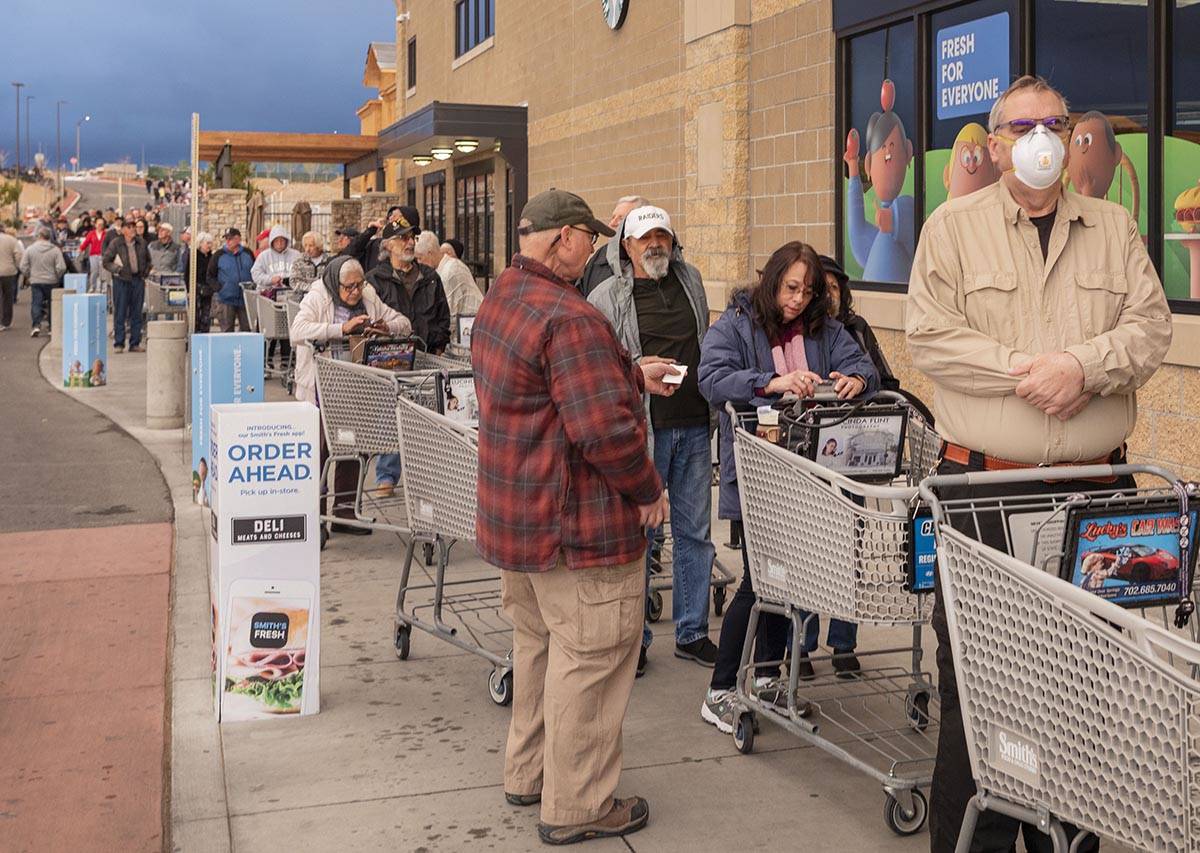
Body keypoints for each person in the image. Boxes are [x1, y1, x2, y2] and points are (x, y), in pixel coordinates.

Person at [906, 75, 1172, 853]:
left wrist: (1084, 367)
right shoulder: (951, 229)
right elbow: (931, 337)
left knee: (1083, 691)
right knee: (985, 688)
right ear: (993, 144)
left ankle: (1070, 837)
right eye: (1021, 126)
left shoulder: (1115, 226)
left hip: (1096, 494)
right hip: (985, 488)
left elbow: (1150, 327)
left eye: (1053, 122)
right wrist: (1033, 369)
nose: (1041, 138)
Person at [472, 188, 680, 846]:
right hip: (576, 529)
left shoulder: (504, 295)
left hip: (520, 523)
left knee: (538, 649)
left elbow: (556, 387)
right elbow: (603, 433)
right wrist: (648, 488)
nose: (594, 248)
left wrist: (625, 370)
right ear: (562, 237)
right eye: (588, 237)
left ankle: (529, 772)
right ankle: (580, 802)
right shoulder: (571, 315)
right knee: (590, 658)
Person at [696, 241, 877, 733]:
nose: (798, 299)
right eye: (791, 287)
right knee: (760, 583)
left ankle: (770, 677)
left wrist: (856, 381)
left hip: (811, 476)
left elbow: (866, 367)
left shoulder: (826, 329)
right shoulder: (735, 324)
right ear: (772, 280)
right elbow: (710, 379)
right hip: (759, 475)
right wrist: (770, 383)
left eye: (808, 290)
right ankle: (720, 689)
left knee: (788, 581)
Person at [589, 205, 717, 674]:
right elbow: (599, 365)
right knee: (639, 535)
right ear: (626, 245)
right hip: (643, 430)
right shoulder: (605, 297)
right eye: (645, 238)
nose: (655, 244)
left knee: (695, 534)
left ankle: (692, 631)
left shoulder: (692, 280)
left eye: (662, 234)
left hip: (695, 425)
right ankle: (634, 640)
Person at [289, 256, 412, 535]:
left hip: (354, 386)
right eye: (349, 287)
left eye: (359, 284)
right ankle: (317, 517)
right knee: (320, 452)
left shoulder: (368, 295)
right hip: (320, 388)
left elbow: (403, 323)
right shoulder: (318, 296)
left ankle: (344, 512)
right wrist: (340, 328)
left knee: (353, 447)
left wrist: (385, 327)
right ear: (336, 284)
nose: (355, 292)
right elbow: (297, 331)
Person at [366, 210, 450, 498]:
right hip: (389, 363)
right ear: (388, 244)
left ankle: (422, 479)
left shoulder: (430, 277)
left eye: (412, 237)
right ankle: (386, 478)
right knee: (389, 418)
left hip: (425, 360)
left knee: (425, 423)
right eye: (402, 238)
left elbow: (442, 317)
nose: (409, 242)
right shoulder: (375, 280)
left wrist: (437, 345)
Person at [818, 254, 899, 391]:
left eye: (834, 287)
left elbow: (887, 381)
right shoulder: (804, 332)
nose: (829, 294)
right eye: (823, 288)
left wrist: (860, 382)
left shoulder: (857, 327)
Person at [577, 194, 649, 298]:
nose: (612, 223)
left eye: (621, 219)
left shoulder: (651, 260)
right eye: (613, 217)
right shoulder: (599, 258)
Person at [415, 230, 482, 332]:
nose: (418, 263)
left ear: (430, 254)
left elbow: (446, 315)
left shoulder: (449, 271)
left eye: (419, 258)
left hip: (470, 330)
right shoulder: (446, 267)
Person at [101, 220, 151, 352]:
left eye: (134, 227)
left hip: (137, 280)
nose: (133, 229)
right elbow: (106, 261)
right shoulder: (116, 243)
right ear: (123, 230)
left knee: (137, 312)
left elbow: (148, 260)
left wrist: (144, 273)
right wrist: (117, 270)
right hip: (121, 280)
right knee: (120, 312)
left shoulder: (141, 243)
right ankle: (119, 343)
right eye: (129, 227)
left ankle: (135, 343)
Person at [205, 228, 255, 332]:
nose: (228, 241)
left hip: (245, 299)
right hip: (226, 300)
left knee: (247, 329)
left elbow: (255, 271)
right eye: (226, 239)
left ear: (238, 239)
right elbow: (210, 276)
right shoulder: (218, 255)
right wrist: (220, 288)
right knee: (226, 330)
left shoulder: (248, 253)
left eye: (231, 239)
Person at [21, 227, 67, 337]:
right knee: (52, 304)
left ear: (39, 236)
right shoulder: (55, 250)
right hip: (51, 280)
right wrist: (56, 276)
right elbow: (62, 267)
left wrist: (29, 275)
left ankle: (36, 325)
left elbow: (23, 266)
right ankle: (52, 327)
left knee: (36, 303)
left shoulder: (30, 249)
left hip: (36, 280)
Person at [182, 232, 215, 333]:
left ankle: (205, 334)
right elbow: (187, 274)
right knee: (195, 315)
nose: (209, 246)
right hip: (195, 288)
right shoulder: (193, 256)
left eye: (210, 243)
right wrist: (188, 290)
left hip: (208, 289)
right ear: (200, 243)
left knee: (206, 315)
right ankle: (194, 336)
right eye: (207, 243)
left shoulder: (212, 257)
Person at [0, 222, 24, 331]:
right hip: (8, 272)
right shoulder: (11, 240)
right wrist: (17, 267)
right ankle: (6, 321)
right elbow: (19, 255)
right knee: (7, 297)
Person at [78, 218, 107, 293]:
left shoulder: (106, 233)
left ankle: (103, 288)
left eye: (102, 224)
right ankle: (92, 287)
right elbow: (86, 242)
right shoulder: (91, 233)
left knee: (103, 272)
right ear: (95, 225)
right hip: (93, 255)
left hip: (103, 255)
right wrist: (81, 249)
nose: (100, 226)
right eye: (99, 224)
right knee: (94, 271)